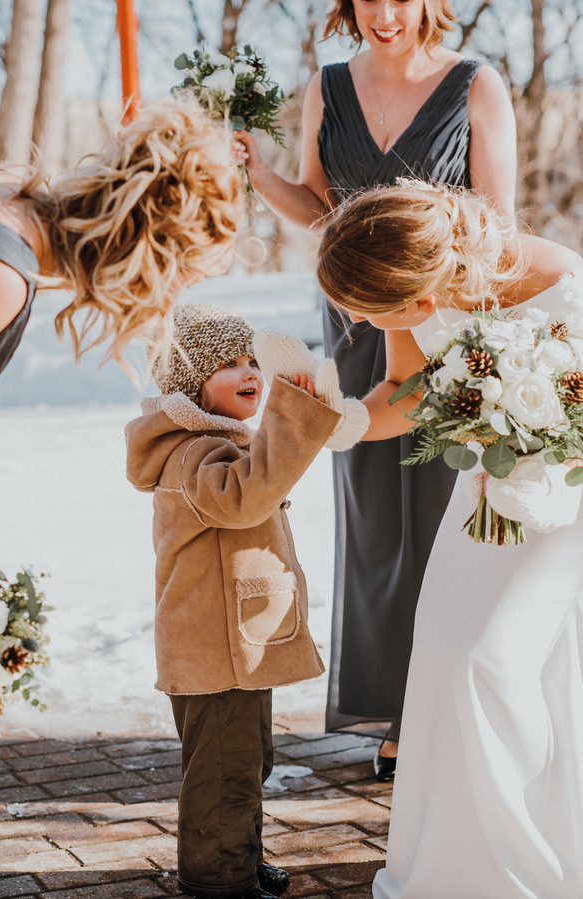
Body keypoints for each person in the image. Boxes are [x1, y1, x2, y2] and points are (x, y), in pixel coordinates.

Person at [233, 0, 517, 777]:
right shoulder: (328, 85)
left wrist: (468, 332)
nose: (385, 13)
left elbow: (503, 225)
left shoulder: (474, 85)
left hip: (446, 316)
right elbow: (319, 209)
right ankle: (392, 705)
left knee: (441, 505)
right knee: (369, 512)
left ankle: (447, 701)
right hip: (354, 316)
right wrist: (261, 175)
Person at [316, 181, 583, 898]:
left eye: (373, 311)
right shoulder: (417, 281)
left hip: (567, 499)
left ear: (424, 297)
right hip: (483, 498)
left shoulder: (562, 281)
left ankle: (528, 871)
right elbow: (407, 388)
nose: (362, 322)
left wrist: (542, 448)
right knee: (442, 651)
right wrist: (337, 422)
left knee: (488, 657)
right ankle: (458, 869)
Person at [125, 303, 346, 899]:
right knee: (224, 770)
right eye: (229, 364)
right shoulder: (194, 453)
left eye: (252, 361)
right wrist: (294, 416)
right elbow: (245, 500)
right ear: (191, 381)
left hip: (233, 641)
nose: (250, 373)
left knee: (244, 763)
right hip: (213, 645)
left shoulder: (215, 441)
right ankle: (218, 880)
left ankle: (238, 858)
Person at [0, 98, 241, 397]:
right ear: (151, 258)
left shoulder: (11, 192)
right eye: (185, 281)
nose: (172, 302)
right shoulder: (2, 277)